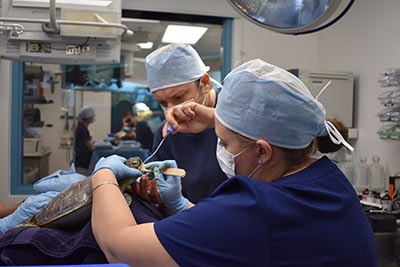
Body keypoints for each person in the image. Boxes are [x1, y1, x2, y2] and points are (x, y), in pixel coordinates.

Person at [90, 59, 378, 266]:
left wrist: (102, 175)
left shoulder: (257, 207)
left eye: (225, 143)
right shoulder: (329, 179)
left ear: (263, 152)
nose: (224, 152)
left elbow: (117, 247)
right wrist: (216, 119)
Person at [143, 43, 227, 203]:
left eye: (179, 98)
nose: (171, 109)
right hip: (192, 221)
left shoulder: (237, 112)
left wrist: (217, 120)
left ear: (205, 83)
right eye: (162, 102)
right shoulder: (166, 133)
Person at [74, 106, 95, 175]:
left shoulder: (82, 129)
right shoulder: (83, 130)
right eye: (92, 116)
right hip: (82, 166)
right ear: (88, 118)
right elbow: (91, 147)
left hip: (82, 164)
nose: (94, 117)